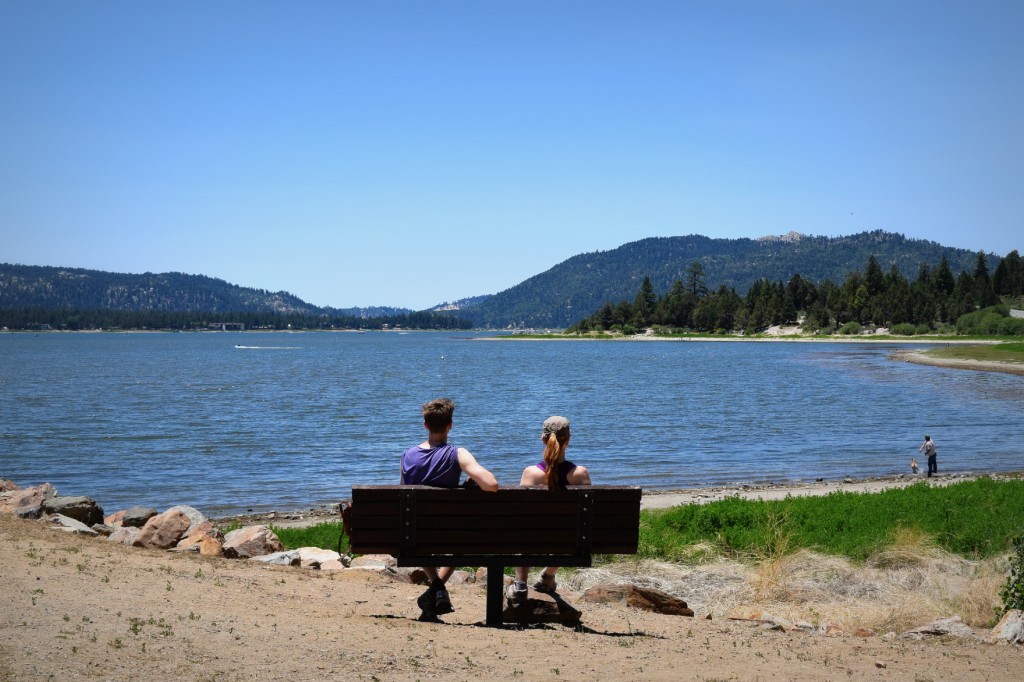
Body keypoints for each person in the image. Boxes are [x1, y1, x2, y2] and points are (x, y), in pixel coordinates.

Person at [400, 398, 498, 621]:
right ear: (450, 425)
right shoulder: (457, 454)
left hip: (413, 533)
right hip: (449, 534)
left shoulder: (407, 456)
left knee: (415, 524)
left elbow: (403, 495)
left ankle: (435, 589)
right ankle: (436, 589)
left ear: (425, 425)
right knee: (463, 542)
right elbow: (491, 485)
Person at [506, 415, 591, 606]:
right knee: (574, 529)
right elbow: (587, 517)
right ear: (568, 440)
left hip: (533, 540)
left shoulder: (531, 473)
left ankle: (520, 585)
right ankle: (549, 574)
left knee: (523, 529)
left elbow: (520, 516)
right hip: (569, 541)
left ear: (543, 439)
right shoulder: (580, 474)